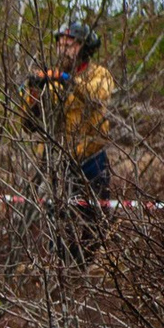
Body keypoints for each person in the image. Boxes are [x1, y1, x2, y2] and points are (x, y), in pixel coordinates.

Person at [22, 19, 116, 200]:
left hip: (90, 162)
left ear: (85, 47)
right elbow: (28, 124)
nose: (63, 50)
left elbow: (95, 96)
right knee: (46, 220)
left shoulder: (99, 75)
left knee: (92, 223)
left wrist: (66, 79)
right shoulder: (51, 78)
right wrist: (34, 91)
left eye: (70, 45)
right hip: (53, 163)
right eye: (60, 44)